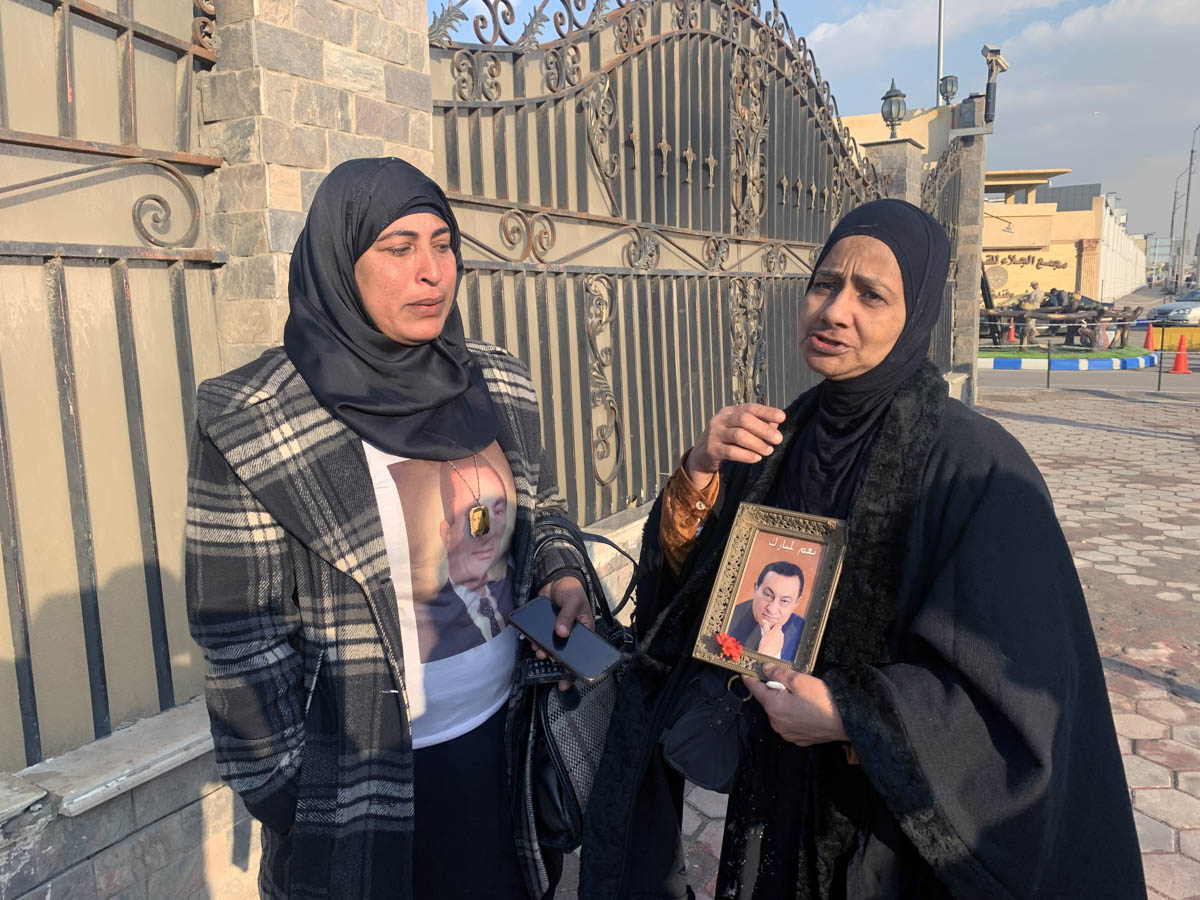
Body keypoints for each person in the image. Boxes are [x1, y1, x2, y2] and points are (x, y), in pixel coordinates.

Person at [580, 199, 1144, 900]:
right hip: (766, 799)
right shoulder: (779, 438)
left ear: (916, 316)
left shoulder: (976, 468)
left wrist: (851, 716)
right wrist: (698, 472)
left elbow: (1019, 693)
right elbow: (693, 612)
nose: (835, 310)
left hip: (880, 835)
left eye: (871, 295)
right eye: (824, 284)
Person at [187, 158, 591, 899]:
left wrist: (562, 571)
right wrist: (292, 794)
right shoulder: (252, 418)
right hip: (359, 782)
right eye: (399, 249)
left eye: (444, 245)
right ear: (343, 262)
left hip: (507, 739)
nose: (432, 272)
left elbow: (545, 507)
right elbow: (238, 637)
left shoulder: (495, 381)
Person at [727, 561, 806, 661]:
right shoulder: (727, 620)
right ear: (756, 588)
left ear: (796, 603)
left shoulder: (803, 630)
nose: (772, 610)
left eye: (785, 601)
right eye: (768, 595)